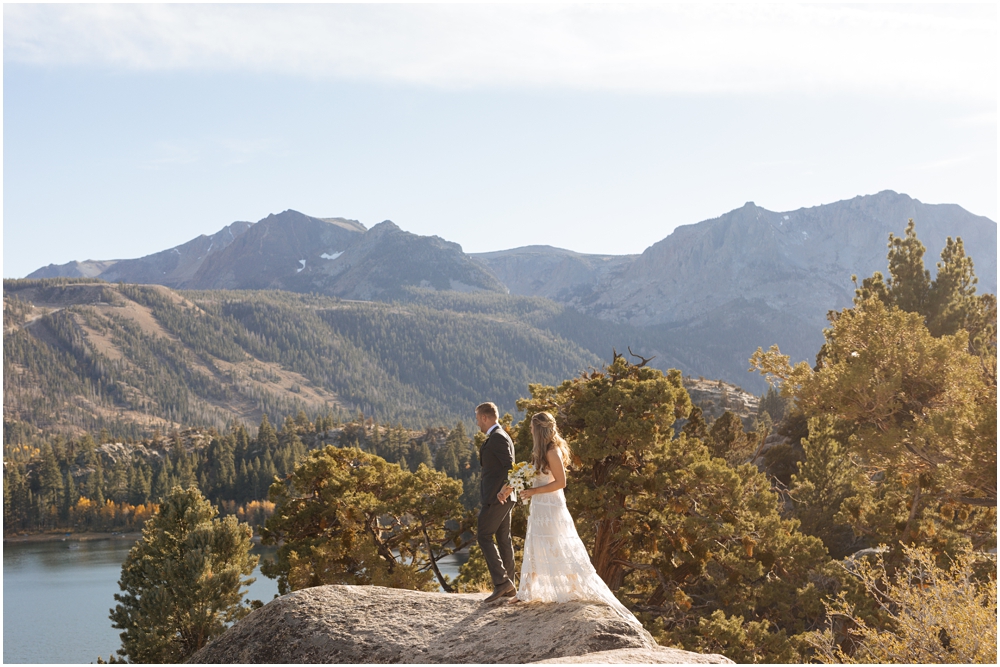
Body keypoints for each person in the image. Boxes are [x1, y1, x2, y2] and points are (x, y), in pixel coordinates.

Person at [499, 412, 640, 625]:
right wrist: (508, 488)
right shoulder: (539, 451)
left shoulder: (552, 451)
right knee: (535, 545)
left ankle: (573, 587)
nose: (529, 430)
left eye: (531, 427)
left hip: (551, 507)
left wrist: (534, 493)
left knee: (558, 546)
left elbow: (561, 483)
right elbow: (527, 474)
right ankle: (525, 591)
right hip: (539, 507)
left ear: (538, 430)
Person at [475, 401, 517, 603]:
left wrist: (504, 491)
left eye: (478, 419)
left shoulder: (498, 438)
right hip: (502, 497)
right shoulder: (500, 436)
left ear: (485, 417)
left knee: (483, 535)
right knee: (503, 539)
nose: (477, 424)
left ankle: (502, 582)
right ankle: (509, 588)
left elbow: (512, 467)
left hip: (497, 498)